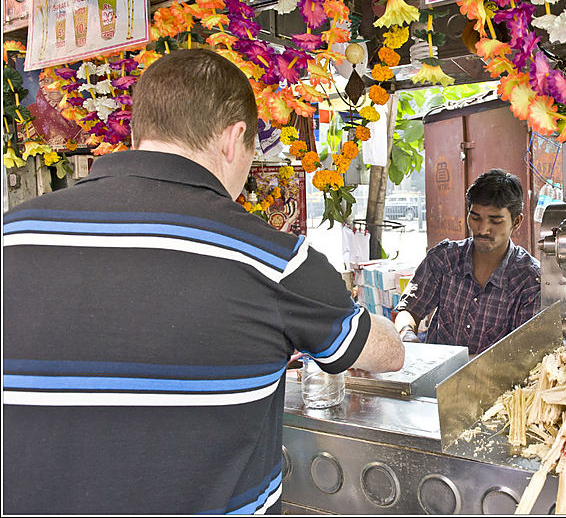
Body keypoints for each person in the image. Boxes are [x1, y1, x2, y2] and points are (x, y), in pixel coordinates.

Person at [1, 49, 404, 514]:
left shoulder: (13, 233)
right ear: (234, 140)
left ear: (137, 133)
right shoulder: (273, 259)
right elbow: (385, 355)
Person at [393, 169, 541, 356]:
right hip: (436, 377)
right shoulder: (444, 259)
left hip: (497, 382)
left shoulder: (529, 281)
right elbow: (410, 310)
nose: (483, 229)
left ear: (517, 222)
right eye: (475, 217)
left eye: (495, 221)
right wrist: (406, 334)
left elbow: (523, 353)